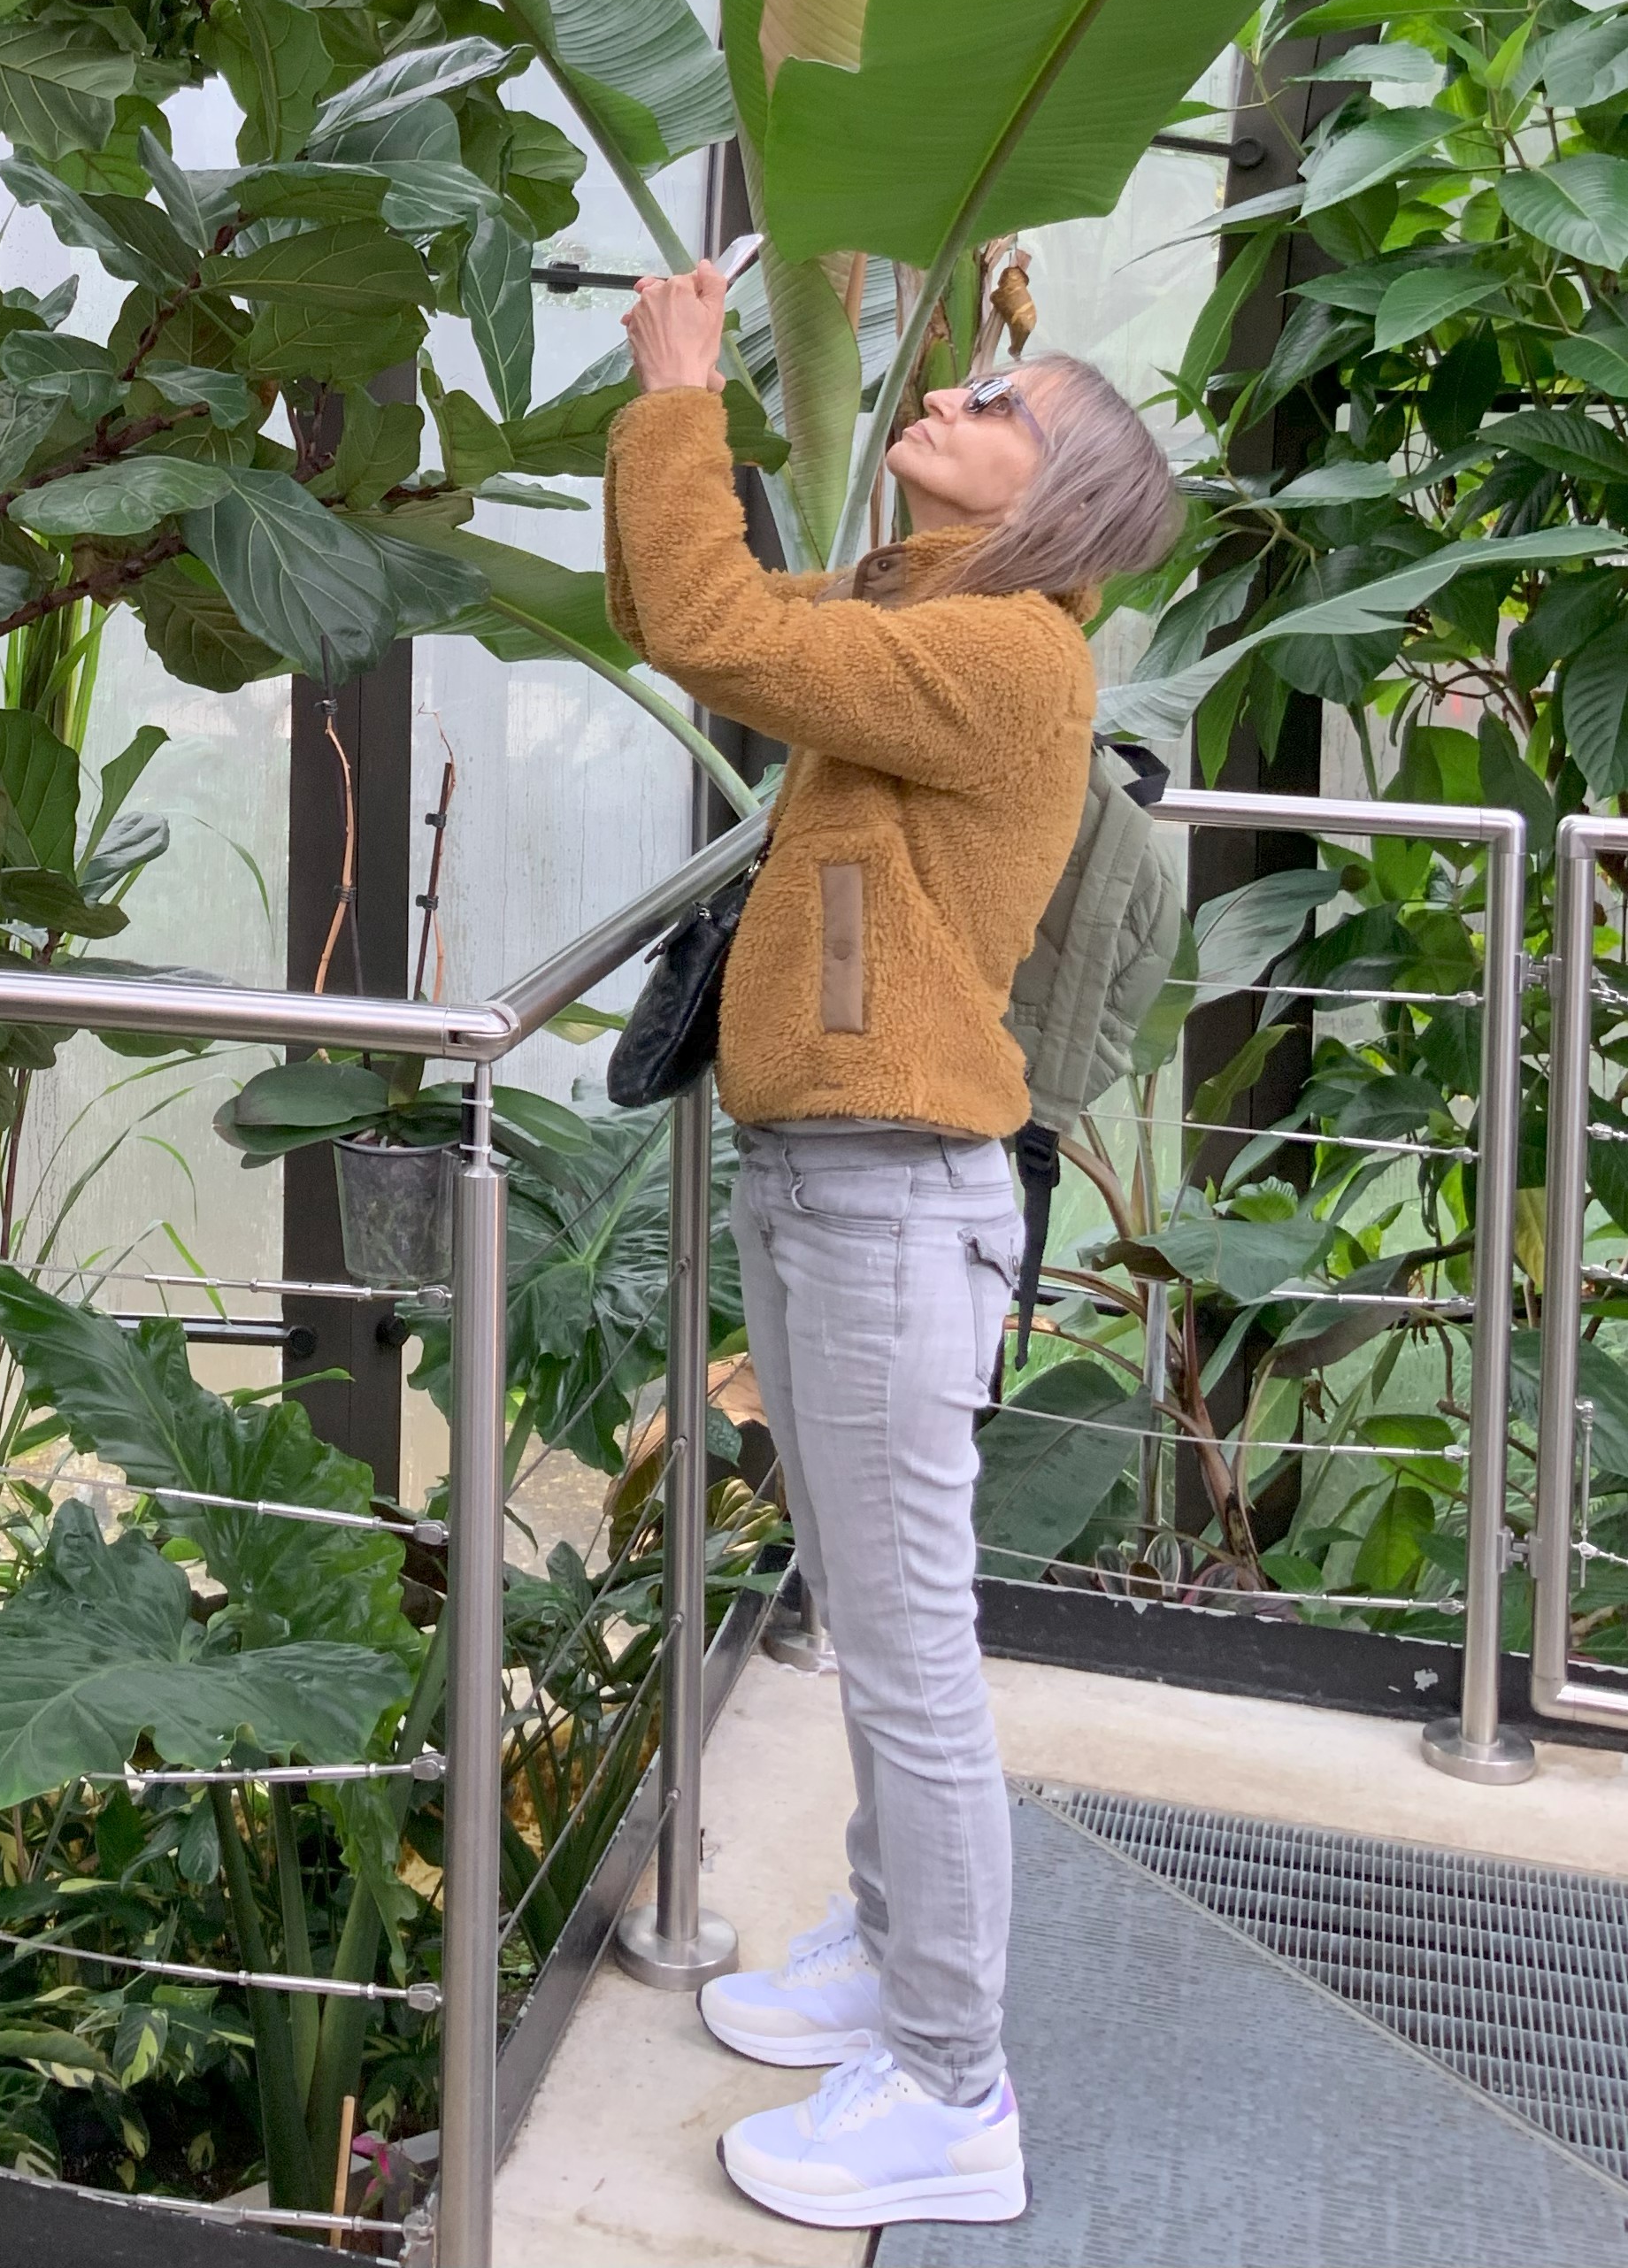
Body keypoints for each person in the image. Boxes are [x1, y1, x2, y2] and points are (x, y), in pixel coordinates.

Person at [605, 259, 1182, 2236]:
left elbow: (706, 618)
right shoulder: (936, 615)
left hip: (886, 1190)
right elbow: (717, 614)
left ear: (1058, 502)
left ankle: (952, 2086)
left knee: (915, 1661)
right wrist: (803, 344)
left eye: (1006, 406)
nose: (962, 397)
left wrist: (683, 388)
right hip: (838, 1175)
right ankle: (884, 1955)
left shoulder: (1010, 654)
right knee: (872, 1626)